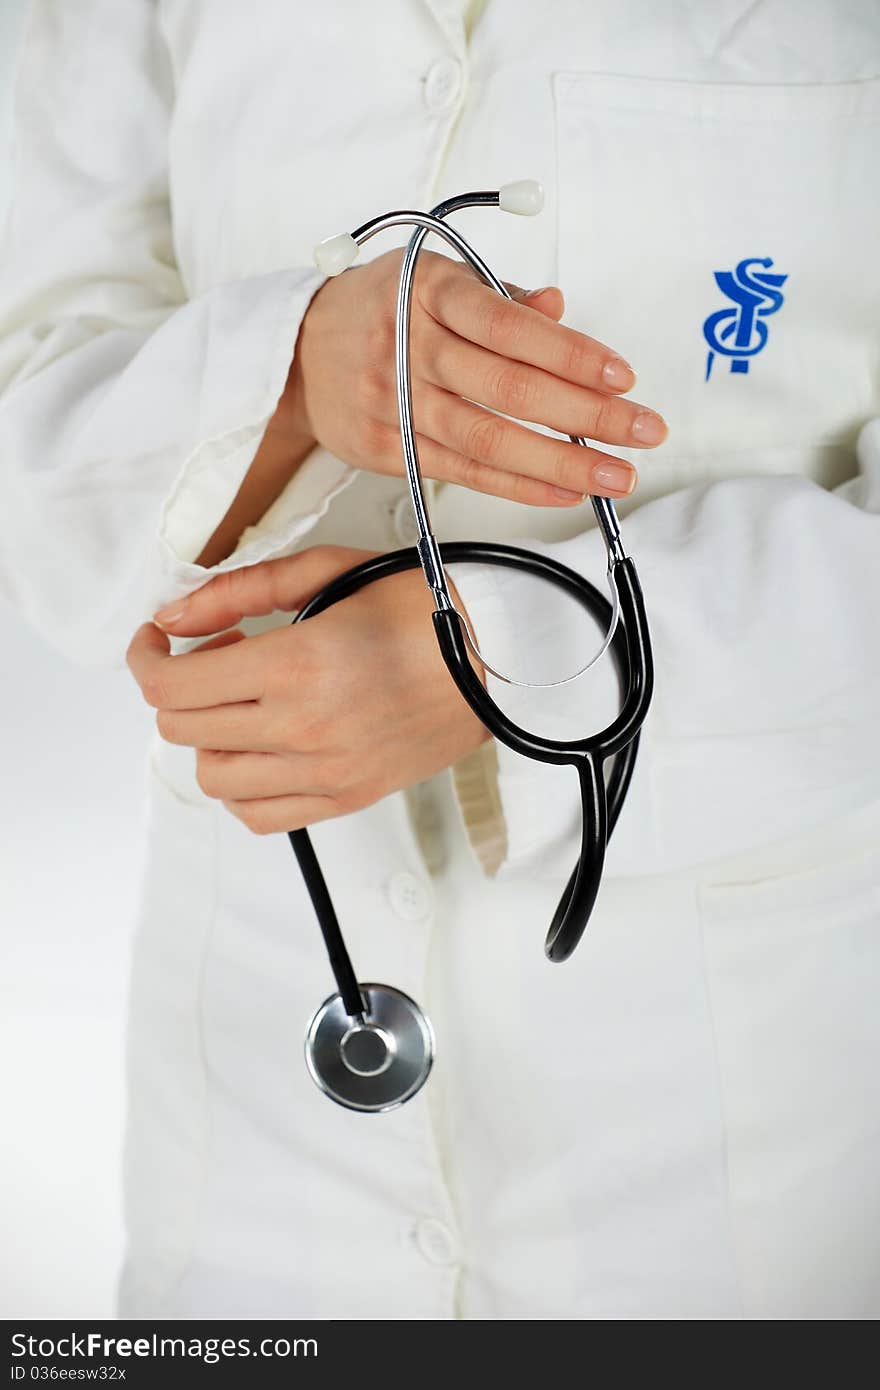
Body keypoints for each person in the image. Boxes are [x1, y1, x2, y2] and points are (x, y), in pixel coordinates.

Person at [1, 0, 879, 1321]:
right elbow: (37, 402)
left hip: (737, 1132)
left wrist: (505, 662)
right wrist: (286, 378)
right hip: (245, 1134)